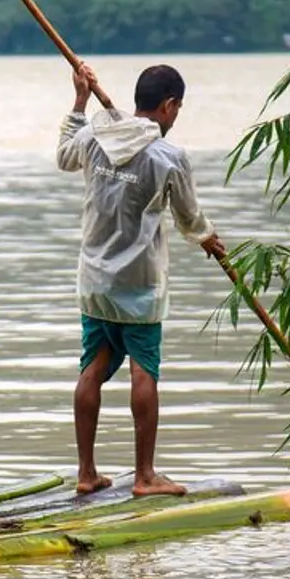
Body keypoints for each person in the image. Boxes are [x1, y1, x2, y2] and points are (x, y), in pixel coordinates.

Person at [54, 63, 226, 498]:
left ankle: (86, 471)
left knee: (92, 368)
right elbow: (189, 217)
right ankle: (145, 475)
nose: (176, 116)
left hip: (94, 282)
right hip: (140, 287)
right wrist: (207, 238)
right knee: (143, 371)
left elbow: (63, 156)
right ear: (168, 105)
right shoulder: (168, 157)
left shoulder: (96, 136)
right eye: (178, 109)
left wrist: (78, 103)